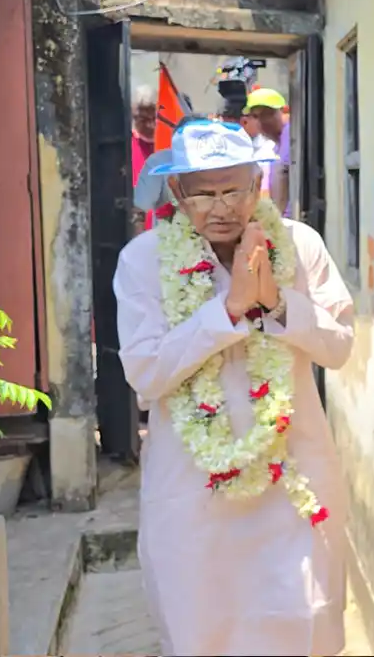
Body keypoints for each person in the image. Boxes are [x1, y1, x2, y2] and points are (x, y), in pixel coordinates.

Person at [113, 118, 354, 656]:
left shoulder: (299, 245)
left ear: (258, 185)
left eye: (235, 190)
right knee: (204, 628)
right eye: (204, 194)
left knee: (301, 624)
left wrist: (277, 303)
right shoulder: (144, 261)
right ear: (177, 192)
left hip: (294, 479)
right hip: (194, 488)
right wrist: (229, 309)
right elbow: (145, 372)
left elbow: (338, 347)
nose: (221, 208)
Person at [243, 87, 291, 215]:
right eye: (256, 116)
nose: (262, 122)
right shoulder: (275, 147)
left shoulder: (290, 137)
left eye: (268, 114)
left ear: (282, 111)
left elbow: (283, 175)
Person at [131, 85, 157, 233]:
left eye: (154, 118)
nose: (150, 124)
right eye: (143, 119)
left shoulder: (169, 143)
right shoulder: (127, 147)